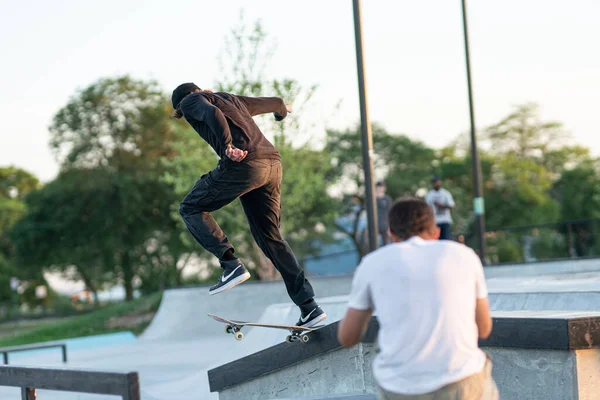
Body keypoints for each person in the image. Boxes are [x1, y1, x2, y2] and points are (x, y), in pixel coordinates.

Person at [171, 82, 326, 328]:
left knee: (191, 207)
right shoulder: (231, 98)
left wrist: (226, 147)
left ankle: (230, 264)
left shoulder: (191, 102)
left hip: (245, 164)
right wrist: (281, 112)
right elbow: (274, 102)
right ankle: (309, 306)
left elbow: (212, 114)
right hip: (272, 164)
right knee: (271, 238)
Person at [337, 198, 497, 400]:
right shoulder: (464, 255)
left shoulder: (372, 263)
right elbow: (484, 328)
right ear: (436, 232)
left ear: (391, 235)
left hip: (402, 388)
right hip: (462, 382)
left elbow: (348, 338)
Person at [425, 175, 455, 240]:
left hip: (445, 220)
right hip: (435, 222)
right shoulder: (429, 195)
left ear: (440, 182)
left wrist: (440, 205)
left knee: (446, 240)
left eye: (437, 181)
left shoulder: (445, 193)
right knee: (435, 240)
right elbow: (426, 209)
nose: (435, 183)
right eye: (434, 182)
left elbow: (452, 206)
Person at [376, 181, 393, 245]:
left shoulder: (387, 199)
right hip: (375, 225)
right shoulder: (373, 199)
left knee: (385, 243)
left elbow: (390, 212)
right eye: (379, 187)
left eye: (382, 187)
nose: (380, 188)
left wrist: (389, 226)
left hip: (385, 225)